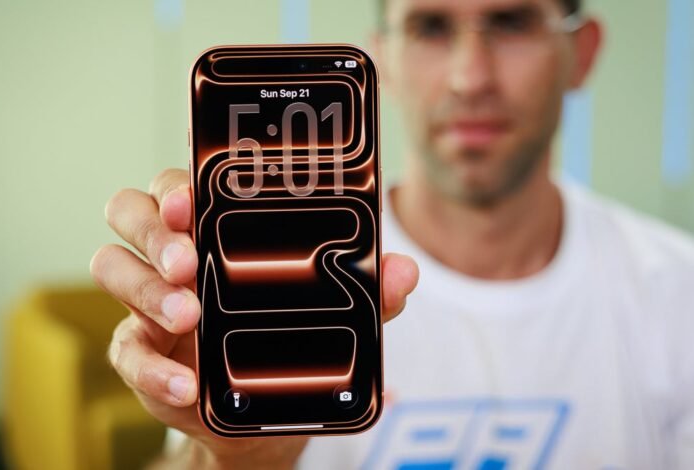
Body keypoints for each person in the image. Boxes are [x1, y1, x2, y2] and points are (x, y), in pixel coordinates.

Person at [90, 0, 694, 467]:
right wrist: (234, 458)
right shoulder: (268, 278)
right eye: (430, 27)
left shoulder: (678, 292)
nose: (470, 78)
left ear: (581, 53)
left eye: (511, 23)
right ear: (385, 61)